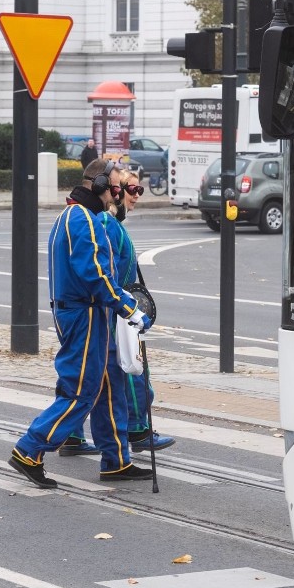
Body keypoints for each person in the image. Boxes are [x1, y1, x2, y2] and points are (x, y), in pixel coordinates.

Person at [8, 159, 154, 488]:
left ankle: (116, 458)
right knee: (81, 391)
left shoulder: (78, 216)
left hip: (88, 312)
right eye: (116, 187)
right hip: (84, 314)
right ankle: (29, 449)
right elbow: (96, 274)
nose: (117, 195)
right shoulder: (82, 219)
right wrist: (127, 306)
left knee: (107, 384)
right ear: (99, 185)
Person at [113, 170, 175, 452]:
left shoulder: (111, 223)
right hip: (121, 308)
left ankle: (74, 435)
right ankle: (137, 429)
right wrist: (129, 309)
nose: (137, 195)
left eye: (140, 190)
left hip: (117, 305)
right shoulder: (110, 224)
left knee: (90, 377)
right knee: (134, 368)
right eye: (132, 189)